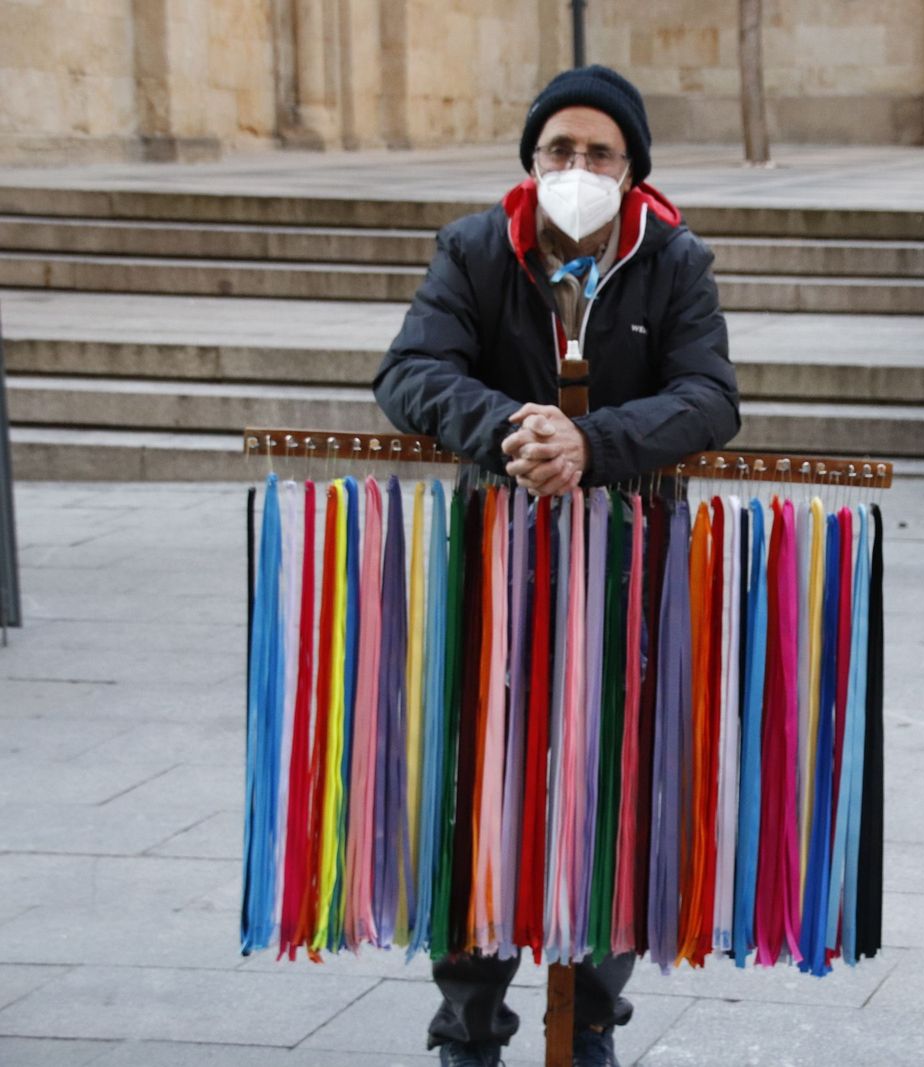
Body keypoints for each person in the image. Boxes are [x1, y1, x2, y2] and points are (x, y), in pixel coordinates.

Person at [373, 64, 740, 1067]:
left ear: (632, 168)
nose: (577, 167)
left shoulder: (674, 260)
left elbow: (710, 396)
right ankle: (469, 1028)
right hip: (494, 563)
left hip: (626, 568)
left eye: (599, 152)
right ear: (531, 160)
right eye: (559, 149)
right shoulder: (476, 248)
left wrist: (594, 444)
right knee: (479, 792)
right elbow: (409, 372)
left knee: (610, 792)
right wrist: (516, 431)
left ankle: (588, 1021)